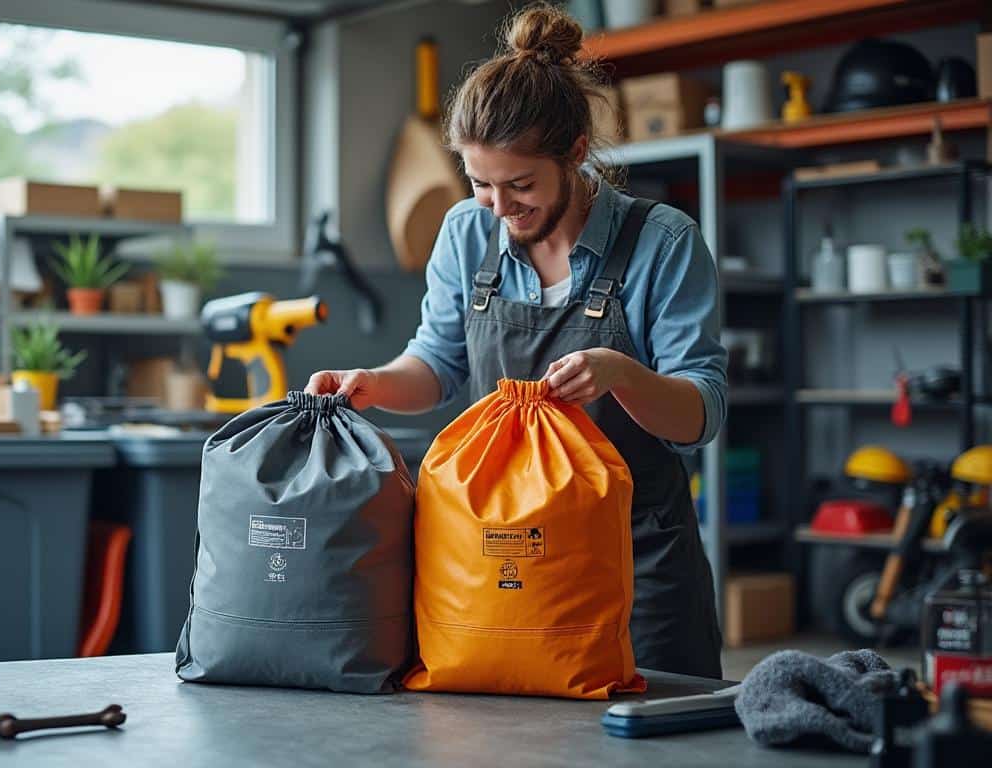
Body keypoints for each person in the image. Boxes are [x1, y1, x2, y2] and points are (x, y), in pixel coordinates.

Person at [305, 3, 726, 678]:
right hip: (505, 557)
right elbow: (439, 364)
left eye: (521, 185)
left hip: (637, 562)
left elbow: (701, 412)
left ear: (577, 155)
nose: (499, 209)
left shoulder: (662, 240)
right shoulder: (465, 234)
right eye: (480, 184)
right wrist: (375, 384)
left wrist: (621, 373)